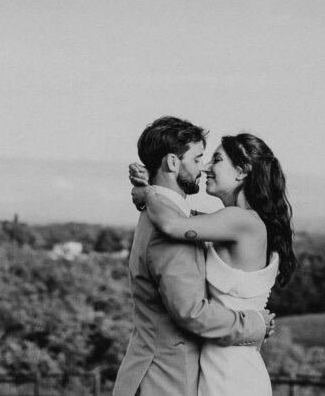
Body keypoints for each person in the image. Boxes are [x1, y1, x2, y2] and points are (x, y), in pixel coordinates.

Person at [112, 117, 274, 396]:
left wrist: (147, 192)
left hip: (175, 374)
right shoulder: (169, 229)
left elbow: (185, 222)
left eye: (211, 160)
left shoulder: (166, 216)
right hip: (165, 381)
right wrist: (255, 324)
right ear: (174, 163)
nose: (204, 167)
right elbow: (192, 312)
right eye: (198, 158)